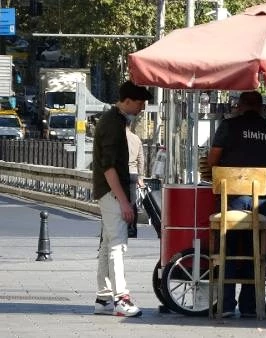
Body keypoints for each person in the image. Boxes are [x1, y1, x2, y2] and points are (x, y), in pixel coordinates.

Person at [207, 91, 266, 318]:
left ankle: (227, 305)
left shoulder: (228, 127)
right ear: (261, 108)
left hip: (233, 201)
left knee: (229, 248)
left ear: (240, 106)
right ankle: (250, 306)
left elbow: (212, 161)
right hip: (263, 202)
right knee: (254, 250)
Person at [92, 80, 152, 317]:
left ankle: (104, 297)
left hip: (107, 191)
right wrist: (124, 201)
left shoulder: (113, 120)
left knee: (108, 243)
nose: (142, 108)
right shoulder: (113, 124)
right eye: (140, 103)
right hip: (112, 192)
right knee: (117, 244)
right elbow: (109, 167)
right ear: (127, 100)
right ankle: (121, 299)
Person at [126, 118, 146, 238]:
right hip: (133, 173)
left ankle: (121, 227)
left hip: (121, 174)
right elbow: (141, 159)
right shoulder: (136, 138)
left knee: (119, 201)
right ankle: (133, 228)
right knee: (132, 202)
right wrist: (141, 176)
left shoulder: (118, 138)